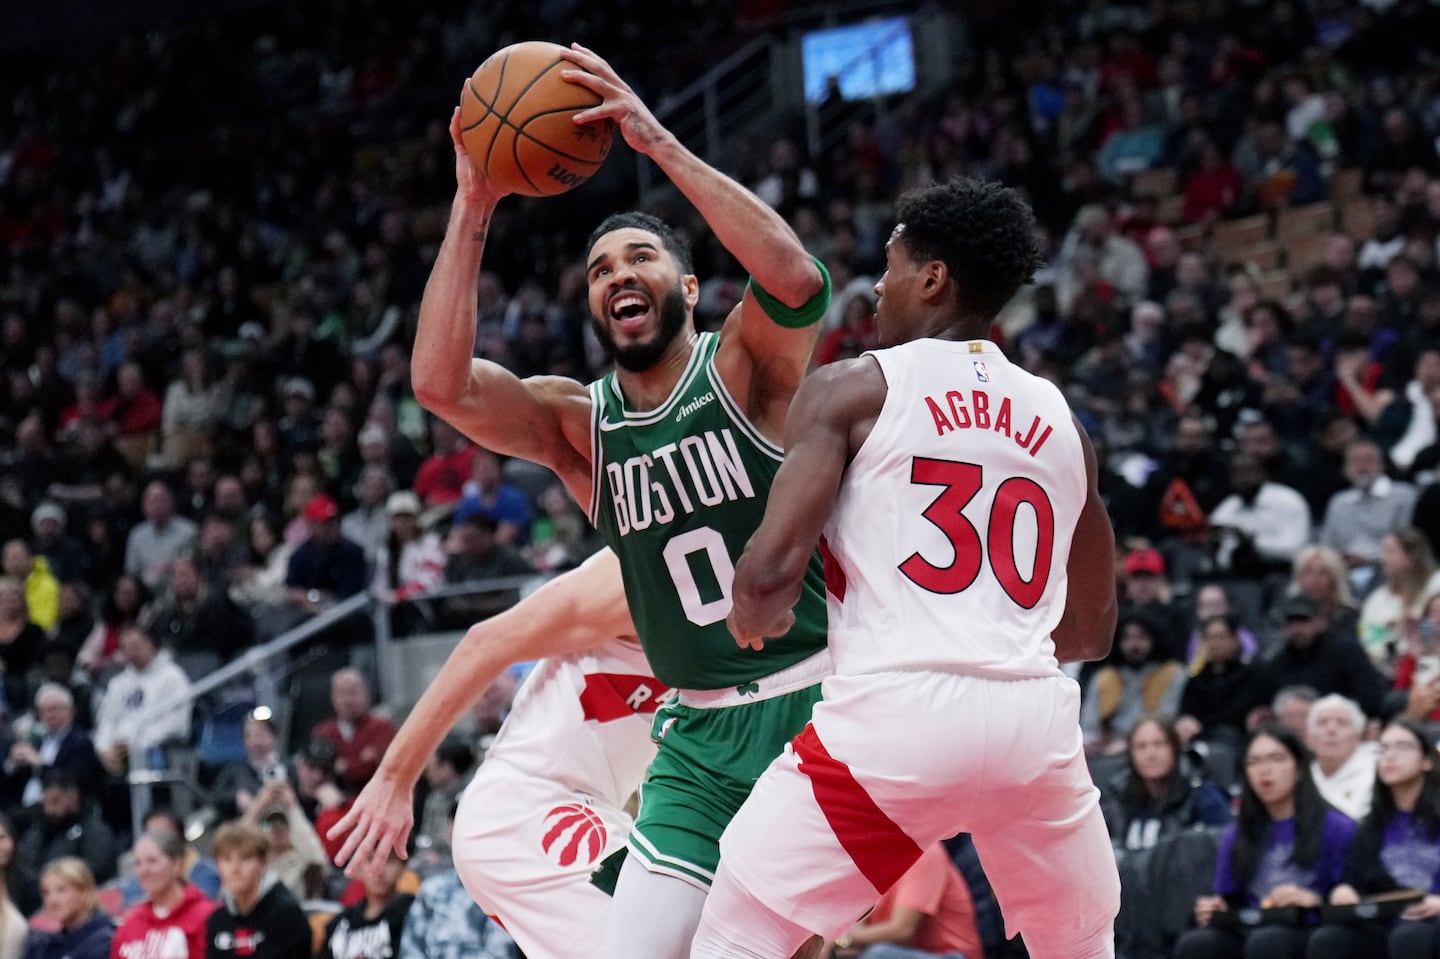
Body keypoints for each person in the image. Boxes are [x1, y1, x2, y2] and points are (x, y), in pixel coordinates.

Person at [404, 42, 830, 959]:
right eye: (600, 270)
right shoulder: (578, 423)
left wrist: (660, 144)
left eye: (639, 258)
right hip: (699, 734)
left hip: (815, 701)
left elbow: (798, 282)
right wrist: (474, 205)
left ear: (684, 285)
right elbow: (440, 384)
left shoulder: (743, 370)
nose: (616, 275)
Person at [690, 178, 1119, 959]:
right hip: (1032, 718)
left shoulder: (854, 386)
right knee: (1080, 944)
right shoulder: (1063, 420)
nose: (876, 289)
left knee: (742, 927)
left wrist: (754, 619)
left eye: (889, 268)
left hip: (894, 715)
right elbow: (1090, 629)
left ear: (932, 279)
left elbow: (764, 577)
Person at [329, 550, 664, 959]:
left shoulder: (734, 615)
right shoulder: (633, 572)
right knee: (658, 937)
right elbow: (484, 643)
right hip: (527, 807)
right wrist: (395, 777)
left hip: (586, 809)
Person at [1173, 724, 1356, 959]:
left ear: (1299, 768)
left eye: (1276, 759)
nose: (1264, 770)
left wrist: (1314, 900)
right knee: (1197, 943)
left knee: (1270, 941)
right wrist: (1219, 908)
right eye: (1254, 762)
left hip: (1313, 928)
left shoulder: (1337, 827)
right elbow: (1231, 898)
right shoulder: (1237, 834)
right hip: (1255, 925)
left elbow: (1351, 895)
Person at [824, 843, 984, 959]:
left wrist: (841, 940)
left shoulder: (924, 852)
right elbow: (855, 921)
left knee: (879, 955)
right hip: (902, 950)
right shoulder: (867, 858)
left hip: (951, 955)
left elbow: (902, 931)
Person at [1102, 715, 1233, 855]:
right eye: (1141, 747)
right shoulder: (1117, 797)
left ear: (1175, 749)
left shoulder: (1203, 797)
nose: (1150, 754)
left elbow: (1223, 850)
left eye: (1159, 744)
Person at [204, 821, 311, 959]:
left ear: (263, 863)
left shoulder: (287, 914)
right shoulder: (217, 920)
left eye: (245, 858)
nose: (235, 869)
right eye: (227, 859)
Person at [112, 831, 217, 959]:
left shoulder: (207, 916)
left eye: (152, 861)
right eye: (138, 863)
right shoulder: (131, 922)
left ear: (177, 864)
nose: (143, 871)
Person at [316, 853, 413, 959]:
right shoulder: (340, 922)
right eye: (370, 860)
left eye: (389, 861)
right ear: (358, 867)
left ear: (403, 868)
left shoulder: (413, 914)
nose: (379, 871)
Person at [1307, 694, 1379, 822]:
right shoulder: (1301, 777)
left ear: (1358, 737)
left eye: (1342, 723)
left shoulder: (1376, 772)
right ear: (1310, 738)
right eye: (1322, 722)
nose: (1331, 730)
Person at [22, 858, 113, 959]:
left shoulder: (105, 942)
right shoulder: (42, 945)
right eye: (46, 893)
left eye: (62, 890)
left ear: (86, 893)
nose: (52, 900)